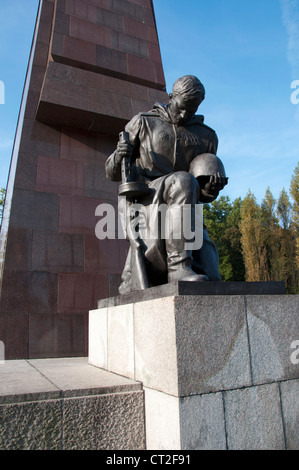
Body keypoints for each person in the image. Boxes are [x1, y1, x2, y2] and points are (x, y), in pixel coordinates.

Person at [105, 75, 228, 294]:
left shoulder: (207, 136)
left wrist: (210, 188)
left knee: (212, 275)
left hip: (184, 205)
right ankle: (179, 267)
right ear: (171, 97)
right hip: (149, 196)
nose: (184, 115)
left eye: (191, 110)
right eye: (181, 107)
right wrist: (118, 157)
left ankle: (183, 263)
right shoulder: (143, 122)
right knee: (183, 179)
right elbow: (112, 172)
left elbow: (200, 192)